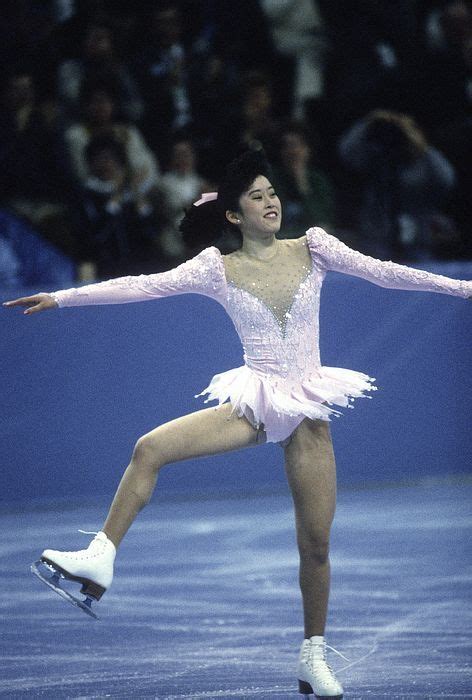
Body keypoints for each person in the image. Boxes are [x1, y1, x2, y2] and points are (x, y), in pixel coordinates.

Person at [4, 150, 471, 699]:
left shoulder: (315, 247)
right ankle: (101, 555)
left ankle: (313, 657)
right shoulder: (215, 269)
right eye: (257, 196)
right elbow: (142, 285)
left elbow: (385, 273)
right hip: (255, 403)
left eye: (272, 193)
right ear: (233, 214)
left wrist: (463, 288)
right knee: (149, 447)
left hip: (308, 414)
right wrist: (61, 296)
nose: (270, 202)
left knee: (315, 545)